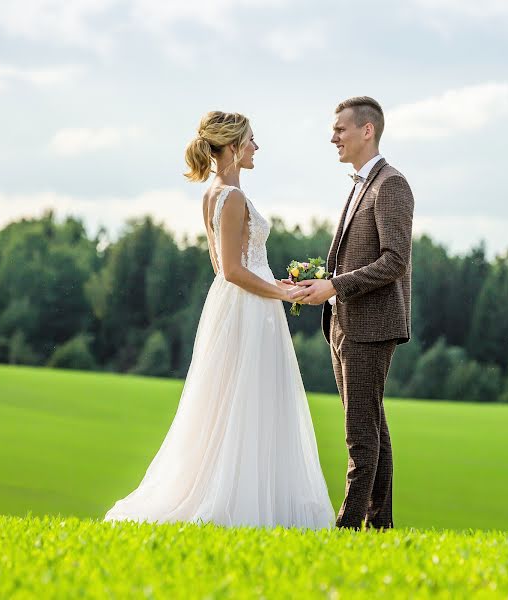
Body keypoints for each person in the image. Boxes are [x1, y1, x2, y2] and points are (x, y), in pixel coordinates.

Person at [103, 111, 335, 529]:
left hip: (241, 303)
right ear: (231, 147)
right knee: (248, 399)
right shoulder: (232, 197)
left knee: (236, 399)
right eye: (250, 141)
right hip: (248, 308)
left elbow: (229, 265)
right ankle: (237, 501)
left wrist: (272, 281)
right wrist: (280, 292)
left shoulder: (213, 195)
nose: (256, 148)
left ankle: (244, 492)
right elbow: (230, 268)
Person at [290, 97, 414, 530]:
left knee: (361, 435)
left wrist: (335, 286)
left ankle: (347, 528)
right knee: (372, 427)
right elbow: (354, 259)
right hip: (343, 325)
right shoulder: (361, 183)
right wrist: (316, 281)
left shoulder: (391, 184)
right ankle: (380, 526)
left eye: (340, 129)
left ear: (367, 131)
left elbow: (394, 261)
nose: (333, 137)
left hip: (371, 325)